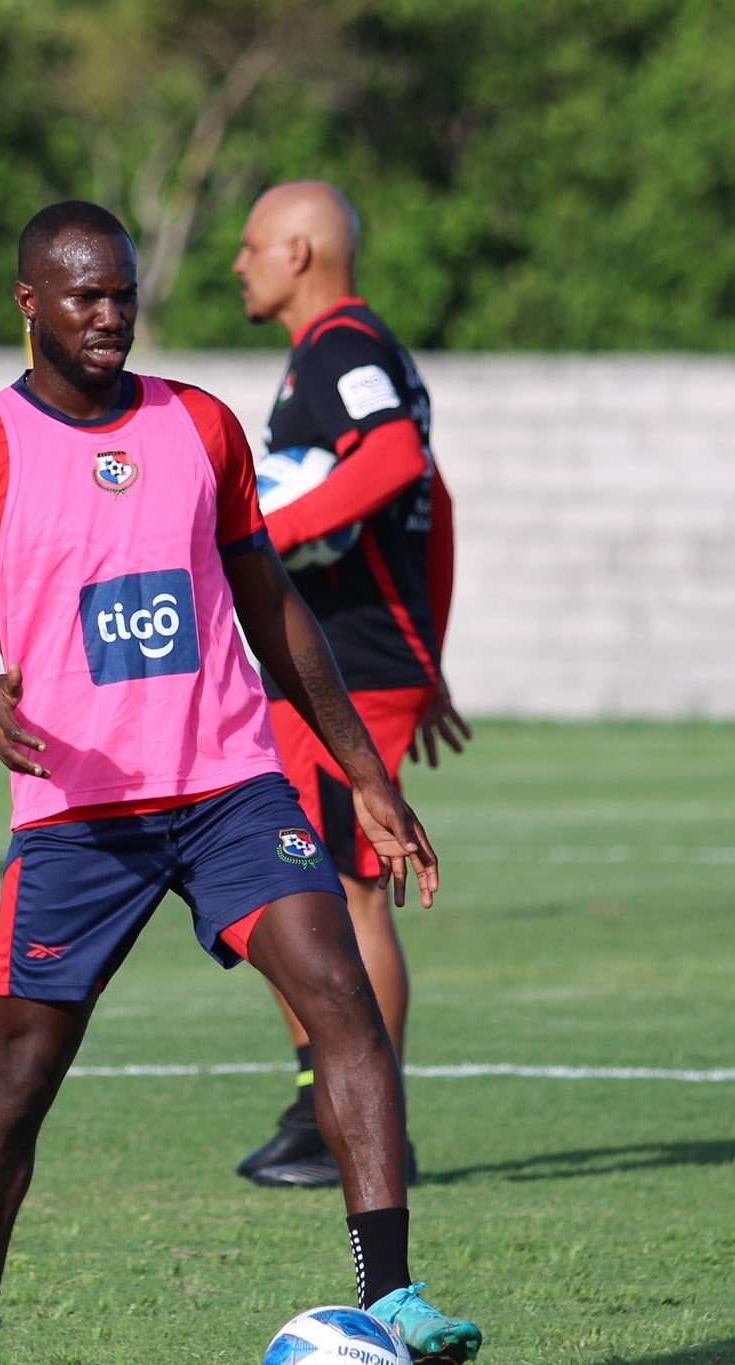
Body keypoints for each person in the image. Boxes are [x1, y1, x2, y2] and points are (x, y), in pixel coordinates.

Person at [0, 200, 483, 1365]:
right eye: (84, 297)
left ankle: (395, 1295)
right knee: (13, 1090)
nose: (110, 316)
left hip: (225, 787)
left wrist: (364, 776)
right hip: (76, 813)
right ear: (28, 304)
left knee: (340, 998)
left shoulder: (199, 427)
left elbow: (274, 610)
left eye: (122, 294)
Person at [230, 181, 473, 1189]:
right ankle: (315, 1104)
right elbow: (435, 498)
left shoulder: (342, 349)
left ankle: (373, 1125)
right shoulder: (331, 356)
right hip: (343, 665)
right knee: (290, 886)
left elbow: (397, 462)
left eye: (249, 246)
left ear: (297, 251)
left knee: (343, 899)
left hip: (352, 667)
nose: (236, 264)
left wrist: (260, 541)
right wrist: (435, 655)